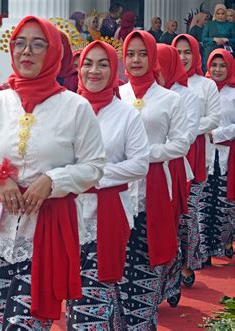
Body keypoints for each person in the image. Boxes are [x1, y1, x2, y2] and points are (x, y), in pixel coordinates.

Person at [0, 15, 106, 330]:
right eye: (20, 44)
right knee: (3, 318)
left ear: (54, 51)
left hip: (48, 230)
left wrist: (52, 181)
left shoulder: (75, 107)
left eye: (37, 44)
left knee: (26, 323)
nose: (26, 52)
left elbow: (94, 166)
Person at [66, 40, 149, 330]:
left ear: (114, 69)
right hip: (68, 210)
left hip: (108, 213)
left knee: (93, 291)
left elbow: (140, 163)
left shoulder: (126, 113)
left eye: (103, 64)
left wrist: (94, 175)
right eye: (88, 63)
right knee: (74, 290)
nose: (94, 70)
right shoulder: (67, 108)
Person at [117, 30, 189, 329]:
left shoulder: (170, 99)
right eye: (130, 54)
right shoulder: (116, 94)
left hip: (154, 188)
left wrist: (144, 154)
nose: (136, 60)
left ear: (153, 56)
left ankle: (145, 316)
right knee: (118, 265)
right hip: (118, 192)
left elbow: (181, 143)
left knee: (148, 261)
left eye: (142, 53)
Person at [172, 33, 220, 287]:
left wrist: (186, 128)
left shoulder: (205, 85)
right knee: (171, 216)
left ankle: (187, 263)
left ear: (196, 53)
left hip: (196, 155)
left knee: (188, 214)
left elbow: (214, 119)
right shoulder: (165, 85)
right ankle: (168, 269)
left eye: (187, 51)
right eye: (177, 51)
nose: (182, 57)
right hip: (169, 157)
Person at [156, 43, 201, 307]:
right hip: (143, 174)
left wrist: (148, 152)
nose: (157, 72)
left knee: (171, 227)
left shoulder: (186, 96)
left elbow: (187, 135)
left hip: (174, 169)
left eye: (161, 66)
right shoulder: (141, 95)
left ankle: (171, 280)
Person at [199, 49, 234, 263]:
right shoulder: (204, 89)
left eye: (222, 66)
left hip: (228, 153)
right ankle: (203, 251)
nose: (217, 70)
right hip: (205, 153)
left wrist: (218, 133)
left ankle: (224, 243)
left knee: (223, 202)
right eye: (214, 65)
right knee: (205, 201)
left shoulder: (233, 92)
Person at [202, 4, 235, 72]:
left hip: (226, 49)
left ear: (225, 14)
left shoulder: (230, 25)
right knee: (210, 69)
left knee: (226, 69)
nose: (220, 16)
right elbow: (203, 38)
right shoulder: (209, 24)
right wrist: (214, 39)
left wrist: (227, 40)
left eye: (222, 13)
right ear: (215, 14)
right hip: (211, 50)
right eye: (218, 13)